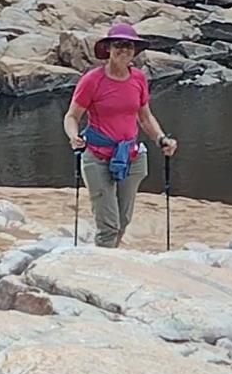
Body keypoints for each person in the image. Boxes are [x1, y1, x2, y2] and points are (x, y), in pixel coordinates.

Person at [63, 22, 179, 248]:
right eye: (118, 45)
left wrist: (161, 139)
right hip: (97, 157)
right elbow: (71, 116)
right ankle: (103, 264)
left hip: (129, 156)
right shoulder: (92, 80)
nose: (124, 50)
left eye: (129, 45)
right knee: (109, 225)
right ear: (108, 48)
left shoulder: (138, 78)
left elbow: (145, 117)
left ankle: (110, 256)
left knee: (123, 220)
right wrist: (73, 137)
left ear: (135, 50)